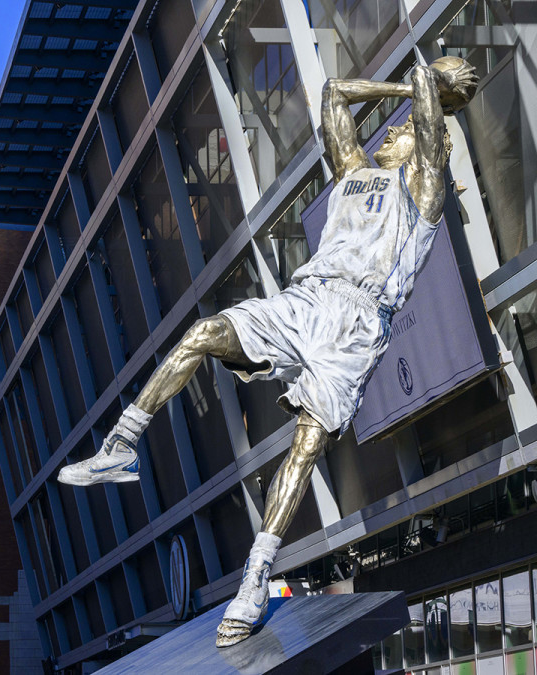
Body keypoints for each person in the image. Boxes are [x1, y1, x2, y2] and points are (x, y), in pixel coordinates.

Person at [56, 57, 479, 648]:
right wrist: (407, 84)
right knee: (204, 334)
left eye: (402, 130)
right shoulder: (353, 171)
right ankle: (121, 445)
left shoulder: (423, 193)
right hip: (306, 298)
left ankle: (255, 579)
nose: (393, 132)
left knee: (307, 442)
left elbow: (431, 124)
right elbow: (333, 91)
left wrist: (429, 88)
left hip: (357, 322)